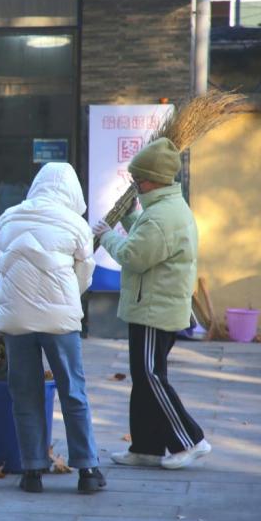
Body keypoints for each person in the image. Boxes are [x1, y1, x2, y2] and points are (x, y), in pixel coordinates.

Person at [93, 137, 210, 470]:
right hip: (155, 306)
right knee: (144, 377)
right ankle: (146, 447)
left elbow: (134, 255)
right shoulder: (165, 210)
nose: (136, 185)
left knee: (151, 376)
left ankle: (191, 441)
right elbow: (150, 244)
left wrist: (106, 234)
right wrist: (129, 221)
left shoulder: (162, 216)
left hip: (154, 310)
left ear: (153, 179)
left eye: (138, 179)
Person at [0, 162, 106, 494]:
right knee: (72, 390)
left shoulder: (8, 217)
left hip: (15, 318)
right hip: (59, 321)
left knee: (24, 392)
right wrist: (68, 296)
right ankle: (88, 470)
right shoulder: (75, 224)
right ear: (73, 191)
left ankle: (31, 471)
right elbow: (84, 274)